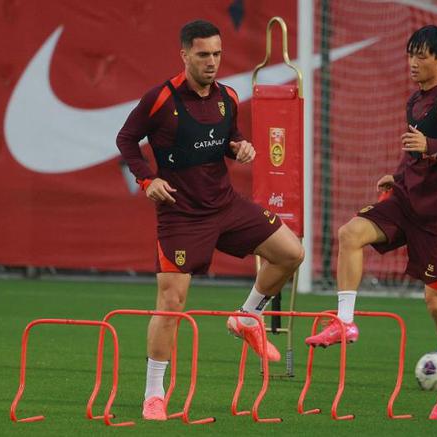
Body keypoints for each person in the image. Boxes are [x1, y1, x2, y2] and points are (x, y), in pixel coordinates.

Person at [116, 20, 304, 420]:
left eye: (217, 54)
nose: (212, 62)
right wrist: (147, 179)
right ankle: (154, 394)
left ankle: (246, 317)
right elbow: (126, 139)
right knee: (171, 303)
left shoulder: (228, 96)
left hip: (225, 206)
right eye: (203, 54)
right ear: (184, 55)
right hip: (181, 215)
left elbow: (228, 139)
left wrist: (241, 148)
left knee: (291, 253)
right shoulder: (160, 98)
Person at [306, 25, 437, 420]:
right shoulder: (415, 100)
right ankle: (345, 322)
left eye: (422, 55)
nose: (413, 62)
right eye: (410, 54)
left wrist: (431, 147)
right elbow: (412, 152)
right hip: (406, 200)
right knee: (350, 233)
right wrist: (398, 175)